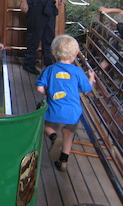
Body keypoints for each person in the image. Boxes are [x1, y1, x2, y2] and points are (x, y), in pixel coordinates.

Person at [36, 35, 95, 172]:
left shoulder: (50, 70)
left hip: (54, 109)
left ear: (54, 52)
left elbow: (39, 88)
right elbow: (87, 90)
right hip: (73, 112)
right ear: (75, 54)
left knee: (43, 125)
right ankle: (63, 161)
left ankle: (54, 136)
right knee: (68, 134)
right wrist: (91, 78)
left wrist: (47, 93)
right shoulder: (78, 72)